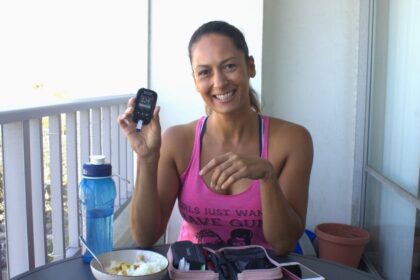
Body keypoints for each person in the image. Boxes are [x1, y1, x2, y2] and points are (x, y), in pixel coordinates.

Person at [118, 20, 313, 255]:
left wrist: (268, 176)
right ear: (195, 80)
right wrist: (146, 158)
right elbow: (145, 237)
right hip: (192, 271)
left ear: (250, 66)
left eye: (229, 66)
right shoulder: (178, 141)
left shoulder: (293, 140)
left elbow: (283, 244)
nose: (219, 82)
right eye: (204, 72)